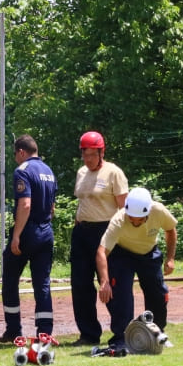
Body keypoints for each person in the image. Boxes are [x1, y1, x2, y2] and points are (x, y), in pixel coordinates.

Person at [96, 187, 177, 349]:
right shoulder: (118, 220)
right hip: (122, 254)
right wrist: (104, 282)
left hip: (149, 252)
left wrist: (170, 258)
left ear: (148, 212)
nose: (135, 222)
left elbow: (170, 230)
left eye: (140, 219)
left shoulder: (159, 210)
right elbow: (101, 252)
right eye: (131, 218)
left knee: (158, 294)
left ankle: (157, 333)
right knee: (121, 294)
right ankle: (122, 338)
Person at [69, 131, 128, 346]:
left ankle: (121, 332)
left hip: (106, 231)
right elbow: (82, 202)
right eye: (85, 155)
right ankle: (88, 333)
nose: (88, 160)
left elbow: (124, 208)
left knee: (111, 283)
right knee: (80, 284)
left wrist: (121, 237)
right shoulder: (81, 172)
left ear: (102, 153)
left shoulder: (114, 173)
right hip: (82, 232)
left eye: (92, 155)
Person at [0, 134, 57, 342]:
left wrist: (16, 236)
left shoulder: (22, 171)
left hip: (28, 231)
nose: (16, 159)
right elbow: (52, 207)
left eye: (15, 154)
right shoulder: (49, 171)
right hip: (46, 230)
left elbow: (25, 204)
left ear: (21, 152)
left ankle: (13, 329)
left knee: (10, 279)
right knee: (42, 284)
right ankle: (45, 332)